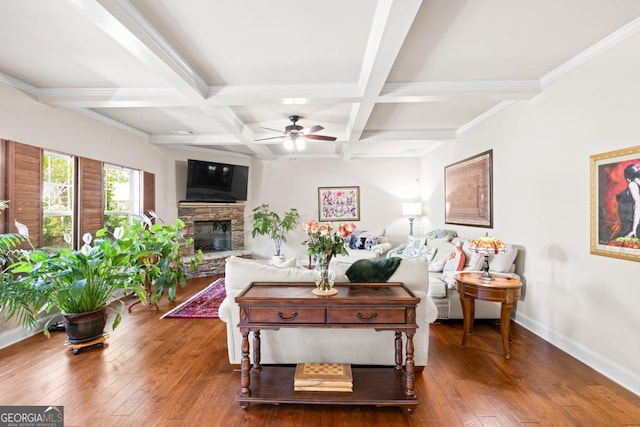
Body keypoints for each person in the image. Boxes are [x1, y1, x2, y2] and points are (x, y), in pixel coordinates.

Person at [616, 163, 640, 238]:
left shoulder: (632, 184)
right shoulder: (636, 183)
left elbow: (638, 204)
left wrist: (634, 229)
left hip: (632, 225)